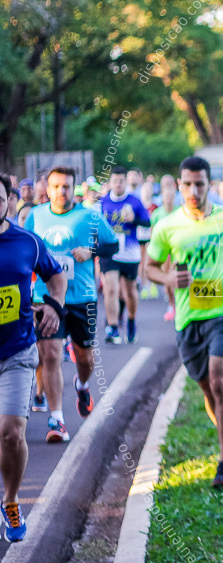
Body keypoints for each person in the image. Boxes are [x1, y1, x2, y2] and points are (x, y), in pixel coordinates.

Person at [145, 156, 223, 489]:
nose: (194, 191)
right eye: (188, 184)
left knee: (220, 381)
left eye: (200, 184)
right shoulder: (166, 226)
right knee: (208, 389)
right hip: (187, 316)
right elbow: (148, 268)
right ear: (179, 185)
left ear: (210, 185)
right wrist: (167, 278)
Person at [25, 167, 119, 440]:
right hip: (47, 298)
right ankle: (57, 420)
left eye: (66, 187)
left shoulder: (90, 216)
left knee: (85, 357)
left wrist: (91, 251)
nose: (61, 192)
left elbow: (112, 246)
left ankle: (83, 383)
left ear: (73, 188)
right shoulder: (36, 216)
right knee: (51, 355)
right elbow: (26, 248)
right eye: (56, 187)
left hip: (83, 297)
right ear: (48, 188)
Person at [0, 174, 67, 541]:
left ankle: (11, 501)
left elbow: (56, 275)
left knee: (11, 434)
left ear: (9, 201)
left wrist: (54, 306)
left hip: (16, 351)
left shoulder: (27, 241)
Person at [99, 166, 151, 344]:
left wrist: (133, 220)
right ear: (110, 183)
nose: (118, 184)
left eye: (121, 181)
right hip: (110, 253)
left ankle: (130, 321)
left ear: (125, 182)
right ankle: (113, 327)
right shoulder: (103, 202)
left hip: (130, 253)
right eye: (115, 181)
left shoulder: (134, 202)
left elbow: (147, 222)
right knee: (110, 289)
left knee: (129, 292)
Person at [150, 174, 180, 321]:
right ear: (162, 197)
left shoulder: (179, 211)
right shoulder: (157, 214)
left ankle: (179, 305)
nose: (168, 199)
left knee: (178, 276)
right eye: (166, 197)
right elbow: (152, 232)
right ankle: (171, 304)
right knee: (167, 277)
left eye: (171, 197)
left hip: (177, 250)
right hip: (164, 250)